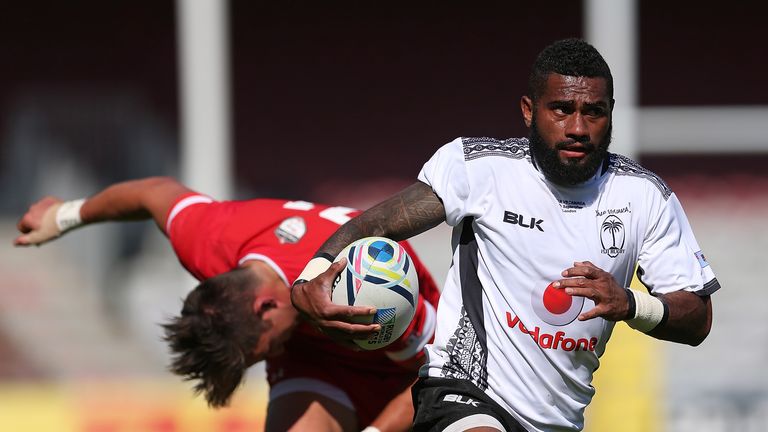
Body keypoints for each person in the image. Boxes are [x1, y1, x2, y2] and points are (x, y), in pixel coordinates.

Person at [290, 38, 720, 432]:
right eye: (561, 109)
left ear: (610, 113)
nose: (577, 127)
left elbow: (697, 319)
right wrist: (308, 279)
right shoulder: (480, 169)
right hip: (464, 392)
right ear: (529, 111)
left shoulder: (644, 196)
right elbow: (374, 224)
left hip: (558, 421)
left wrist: (630, 303)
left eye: (594, 112)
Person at [14, 176, 441, 432]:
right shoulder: (210, 240)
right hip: (314, 363)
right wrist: (64, 216)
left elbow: (436, 371)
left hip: (405, 368)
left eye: (263, 350)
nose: (268, 357)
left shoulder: (361, 288)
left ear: (264, 308)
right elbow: (152, 193)